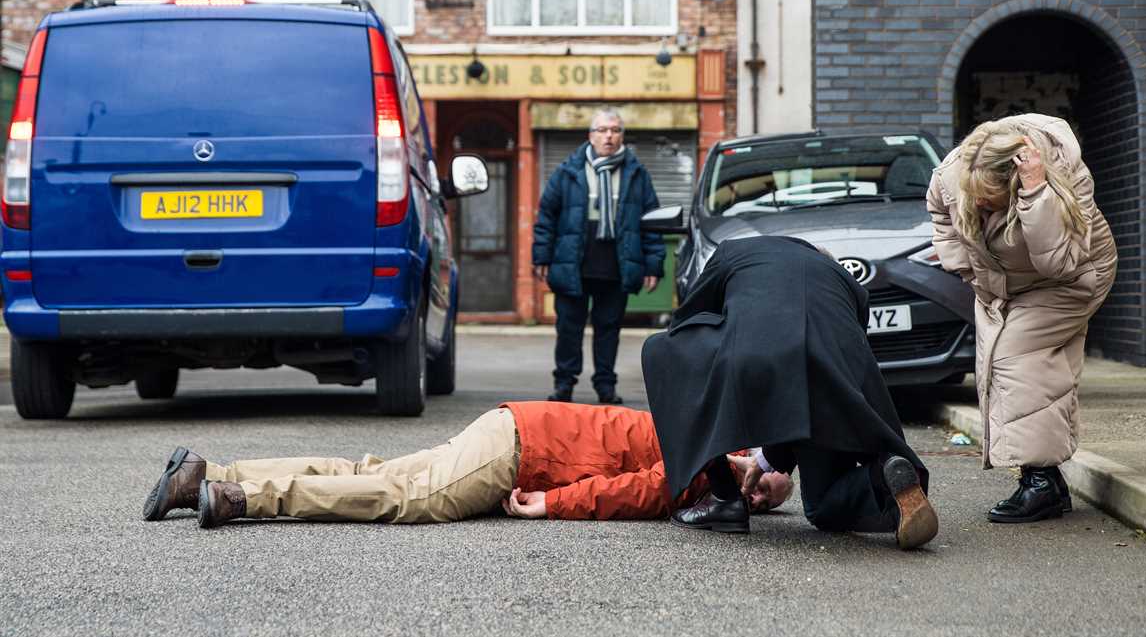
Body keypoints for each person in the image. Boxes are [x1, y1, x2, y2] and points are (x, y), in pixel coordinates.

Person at [641, 235, 939, 548]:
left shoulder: (733, 251)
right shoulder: (850, 286)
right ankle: (881, 480)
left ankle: (723, 498)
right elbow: (811, 375)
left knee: (663, 349)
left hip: (764, 361)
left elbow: (687, 323)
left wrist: (728, 432)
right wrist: (768, 459)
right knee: (820, 505)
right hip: (838, 387)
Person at [142, 401, 794, 529]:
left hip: (514, 427)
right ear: (750, 456)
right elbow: (640, 490)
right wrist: (551, 503)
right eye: (766, 482)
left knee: (376, 469)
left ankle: (210, 471)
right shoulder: (704, 459)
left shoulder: (695, 427)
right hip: (520, 451)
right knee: (407, 500)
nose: (757, 496)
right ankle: (241, 499)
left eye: (767, 501)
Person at [927, 113, 1116, 524]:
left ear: (1015, 180)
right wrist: (965, 266)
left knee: (1016, 360)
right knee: (1015, 368)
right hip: (999, 282)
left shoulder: (1066, 176)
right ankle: (1048, 482)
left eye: (988, 199)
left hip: (1073, 278)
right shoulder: (954, 172)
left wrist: (1035, 197)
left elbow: (1063, 263)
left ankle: (1040, 483)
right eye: (972, 195)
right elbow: (940, 210)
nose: (977, 204)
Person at [533, 106, 664, 404]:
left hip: (616, 265)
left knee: (608, 330)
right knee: (568, 329)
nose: (609, 136)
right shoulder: (568, 171)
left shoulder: (637, 174)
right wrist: (541, 257)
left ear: (622, 137)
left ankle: (606, 386)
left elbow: (652, 221)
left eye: (615, 130)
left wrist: (653, 263)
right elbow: (546, 217)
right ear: (591, 136)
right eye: (603, 130)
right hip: (573, 264)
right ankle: (564, 384)